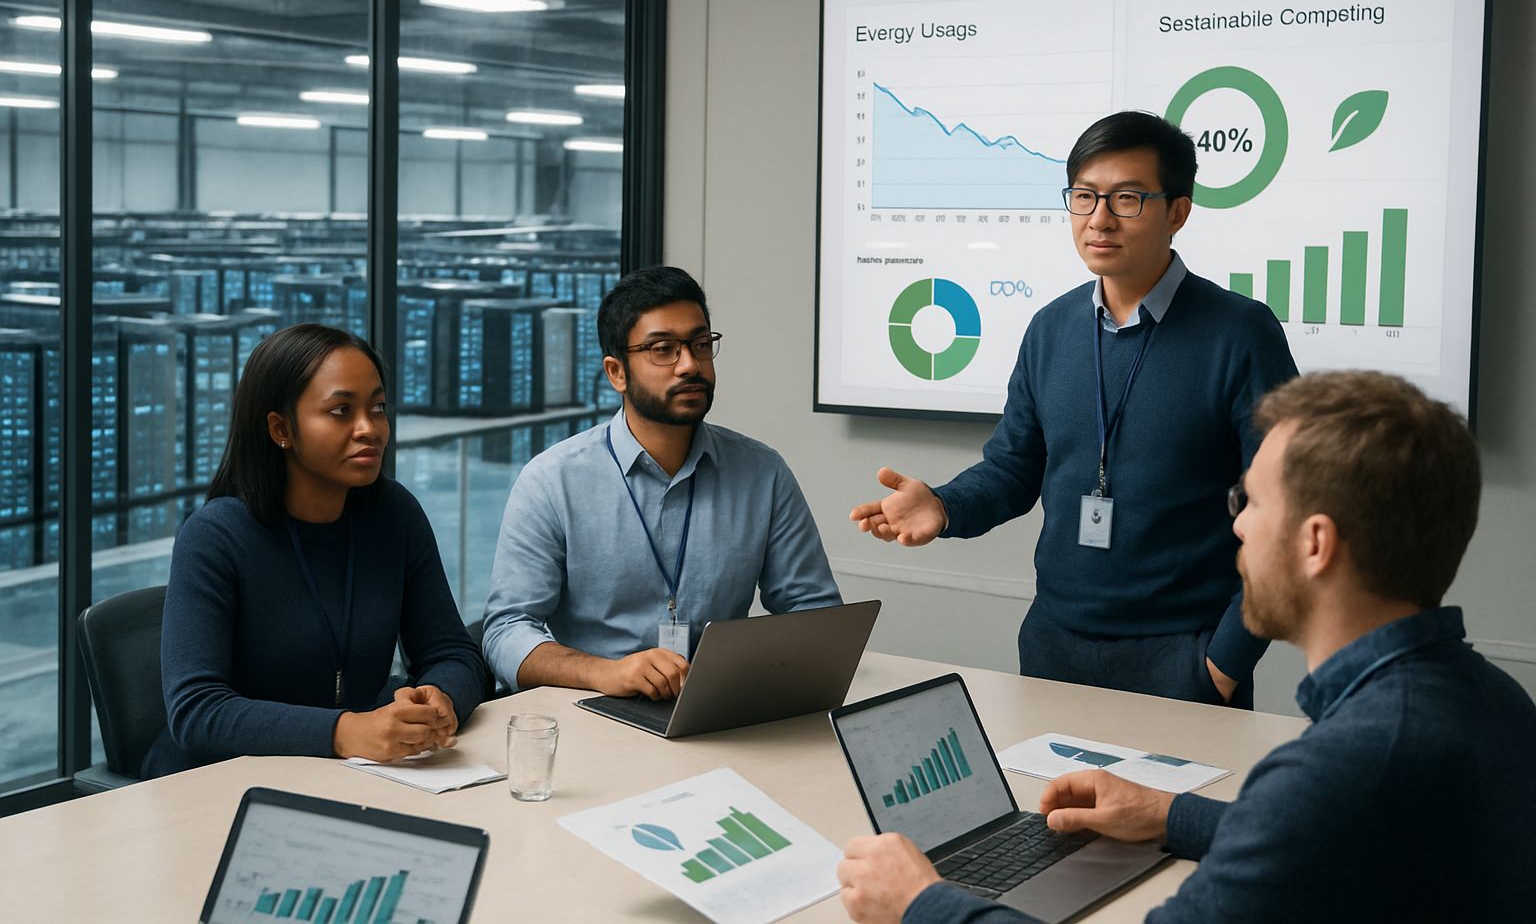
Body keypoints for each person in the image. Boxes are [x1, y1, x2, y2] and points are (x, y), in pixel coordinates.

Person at [838, 371, 1536, 923]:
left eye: (1250, 504)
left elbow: (1314, 813)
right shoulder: (1491, 701)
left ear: (1315, 544)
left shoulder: (1341, 769)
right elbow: (1330, 836)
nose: (1236, 530)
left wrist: (921, 904)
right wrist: (1171, 815)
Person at [850, 111, 1297, 707]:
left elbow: (1289, 507)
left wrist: (1223, 661)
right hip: (1052, 646)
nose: (1099, 219)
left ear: (1178, 212)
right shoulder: (1051, 329)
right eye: (1084, 197)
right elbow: (1014, 470)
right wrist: (944, 506)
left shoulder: (1240, 334)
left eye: (1127, 199)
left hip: (1183, 655)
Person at [143, 324, 487, 778]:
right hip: (217, 786)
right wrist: (344, 732)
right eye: (341, 411)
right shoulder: (216, 536)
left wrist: (440, 697)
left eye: (378, 407)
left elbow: (454, 652)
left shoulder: (394, 515)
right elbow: (197, 711)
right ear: (281, 428)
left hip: (354, 775)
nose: (369, 429)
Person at [481, 265, 842, 698]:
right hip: (592, 713)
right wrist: (605, 673)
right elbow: (505, 632)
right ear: (617, 372)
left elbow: (815, 615)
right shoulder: (552, 480)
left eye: (700, 344)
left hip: (718, 710)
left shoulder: (762, 472)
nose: (689, 365)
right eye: (663, 349)